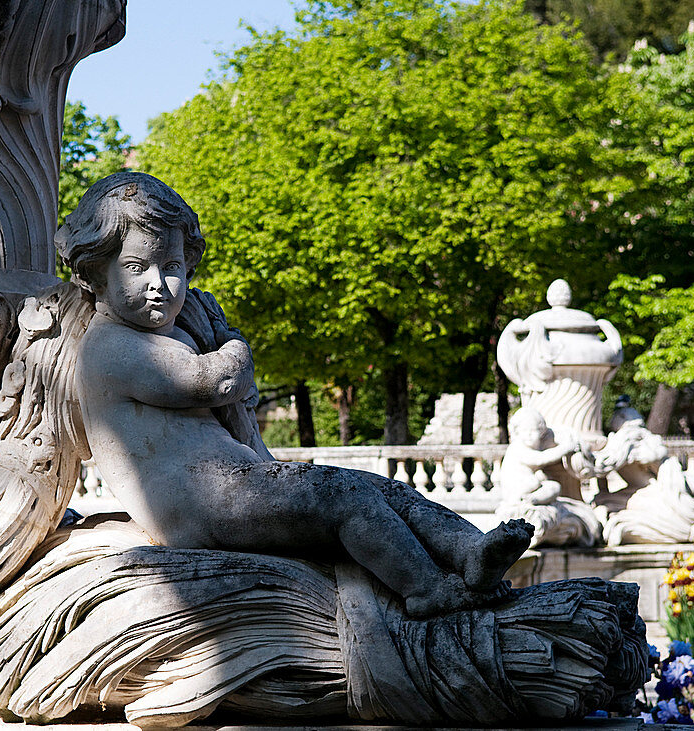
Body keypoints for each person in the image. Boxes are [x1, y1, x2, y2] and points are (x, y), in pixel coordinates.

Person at [58, 171, 533, 618]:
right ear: (94, 275)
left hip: (228, 485)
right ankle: (427, 591)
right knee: (346, 497)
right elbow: (217, 381)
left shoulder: (161, 332)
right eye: (136, 268)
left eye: (173, 267)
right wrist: (233, 341)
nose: (159, 285)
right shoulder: (112, 345)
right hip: (195, 506)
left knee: (380, 487)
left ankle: (470, 549)